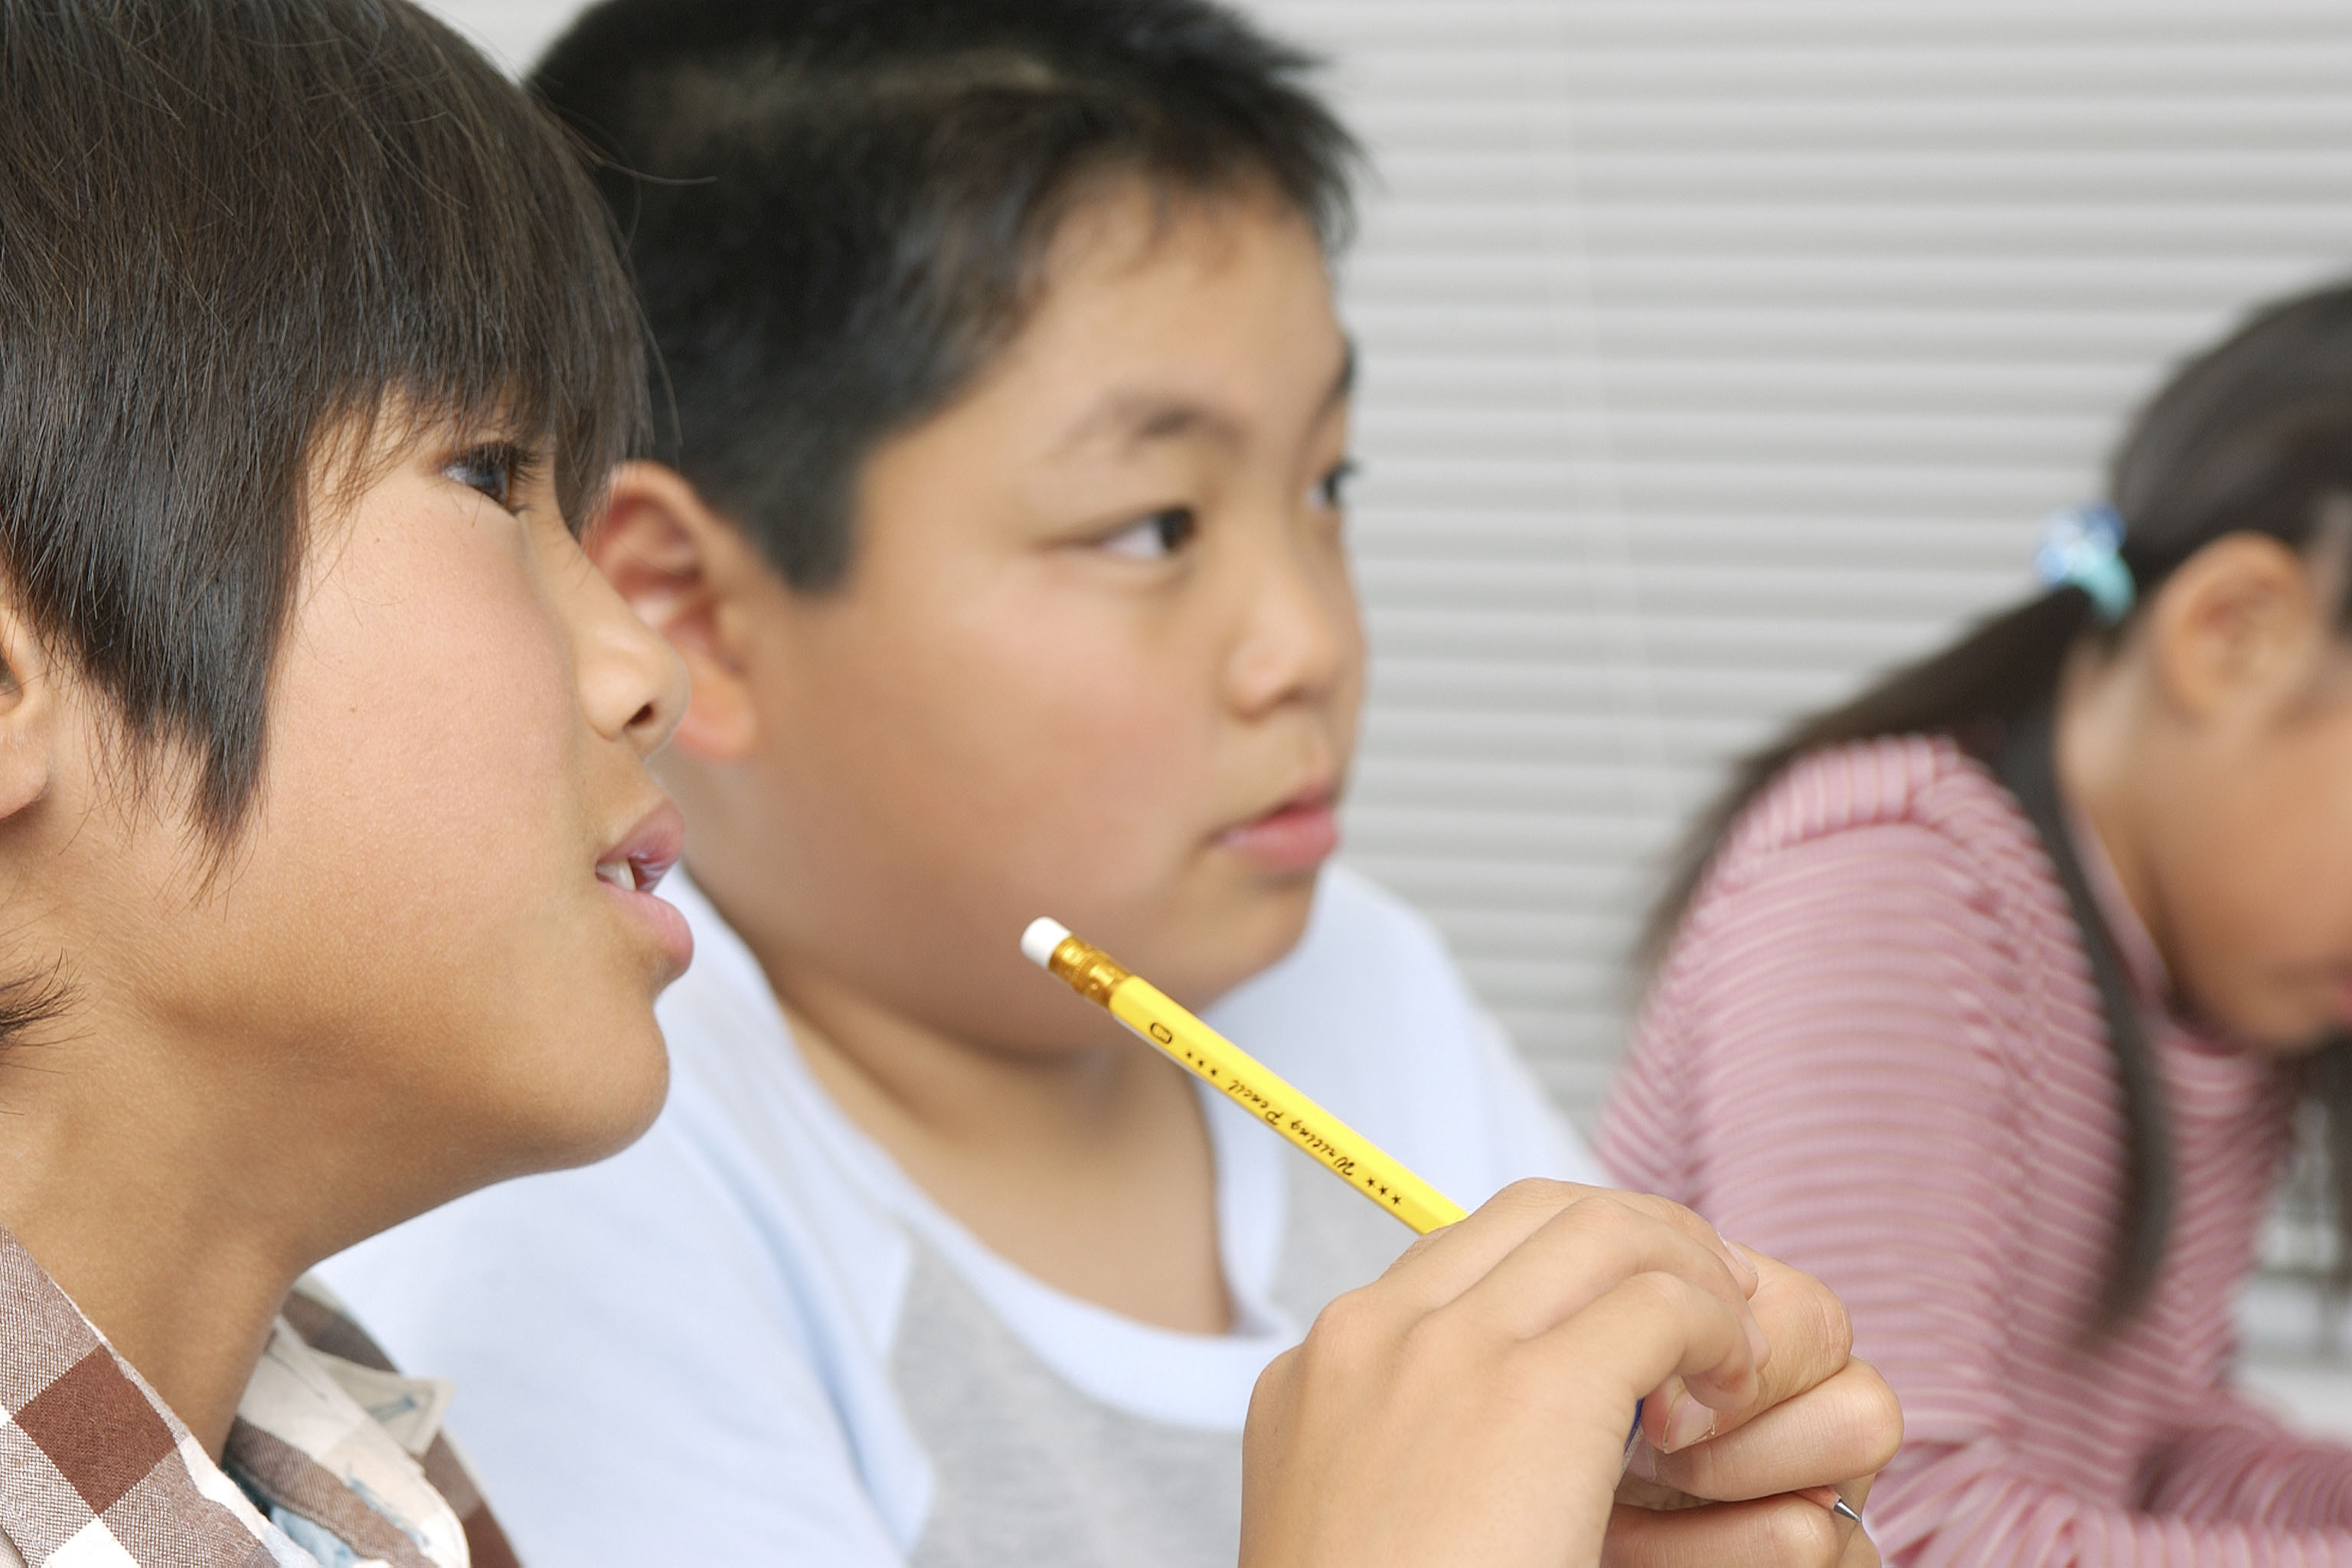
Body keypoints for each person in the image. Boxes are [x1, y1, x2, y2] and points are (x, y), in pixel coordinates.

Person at [322, 1, 1896, 1565]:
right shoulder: (568, 1180)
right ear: (694, 615)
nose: (1306, 640)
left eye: (1326, 484)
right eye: (1151, 526)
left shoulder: (1352, 969)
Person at [1601, 279, 2352, 1564]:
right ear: (2235, 633)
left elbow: (2153, 1450)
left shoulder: (2217, 977)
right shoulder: (1889, 884)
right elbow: (1899, 1525)